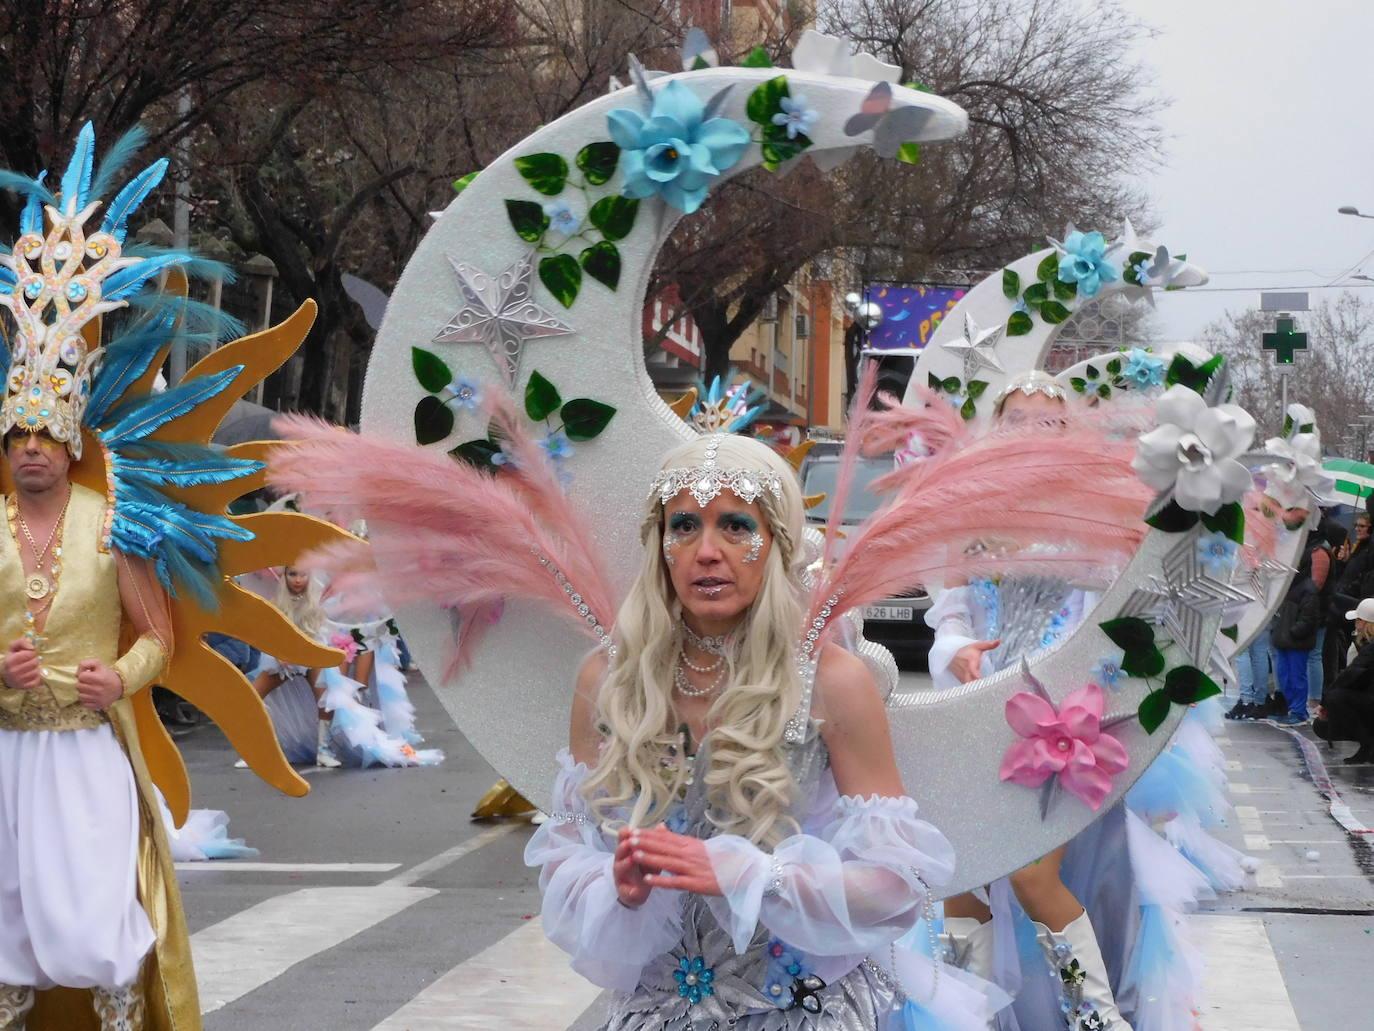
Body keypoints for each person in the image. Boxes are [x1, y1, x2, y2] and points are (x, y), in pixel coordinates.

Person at [526, 434, 992, 1028]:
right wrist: (614, 886)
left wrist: (755, 876)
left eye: (737, 526)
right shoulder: (610, 676)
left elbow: (897, 882)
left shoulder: (830, 681)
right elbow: (564, 854)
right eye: (685, 526)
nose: (707, 551)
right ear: (659, 546)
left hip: (800, 1010)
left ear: (776, 544)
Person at [1316, 599, 1374, 764]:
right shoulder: (1363, 645)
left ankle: (1368, 743)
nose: (1355, 624)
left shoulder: (1370, 649)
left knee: (1336, 700)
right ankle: (1367, 745)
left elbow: (1351, 673)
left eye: (1359, 620)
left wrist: (1325, 701)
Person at [1270, 552, 1322, 726]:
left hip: (1295, 641)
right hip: (1287, 639)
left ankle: (1299, 712)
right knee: (1285, 677)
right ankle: (1294, 709)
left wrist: (1292, 632)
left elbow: (1308, 618)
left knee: (1295, 678)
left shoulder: (1307, 589)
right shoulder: (1291, 586)